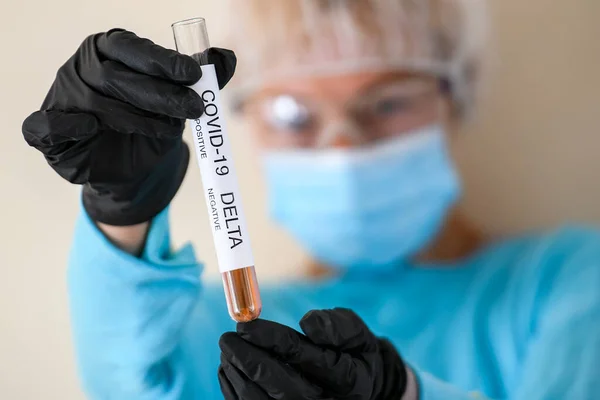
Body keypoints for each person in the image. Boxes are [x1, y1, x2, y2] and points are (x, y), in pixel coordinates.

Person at [21, 1, 600, 399]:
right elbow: (124, 380)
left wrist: (405, 393)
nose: (343, 145)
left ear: (457, 97)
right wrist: (123, 205)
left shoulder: (572, 277)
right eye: (294, 113)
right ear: (245, 118)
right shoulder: (227, 329)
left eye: (389, 102)